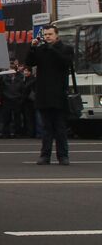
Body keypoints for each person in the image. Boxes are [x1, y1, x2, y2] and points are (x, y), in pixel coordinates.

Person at [26, 24, 74, 165]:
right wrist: (32, 48)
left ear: (56, 35)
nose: (47, 37)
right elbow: (29, 62)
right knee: (46, 128)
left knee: (60, 127)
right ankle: (45, 155)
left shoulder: (66, 49)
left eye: (50, 34)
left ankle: (63, 156)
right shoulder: (41, 49)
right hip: (43, 94)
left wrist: (52, 49)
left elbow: (65, 62)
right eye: (45, 34)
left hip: (59, 94)